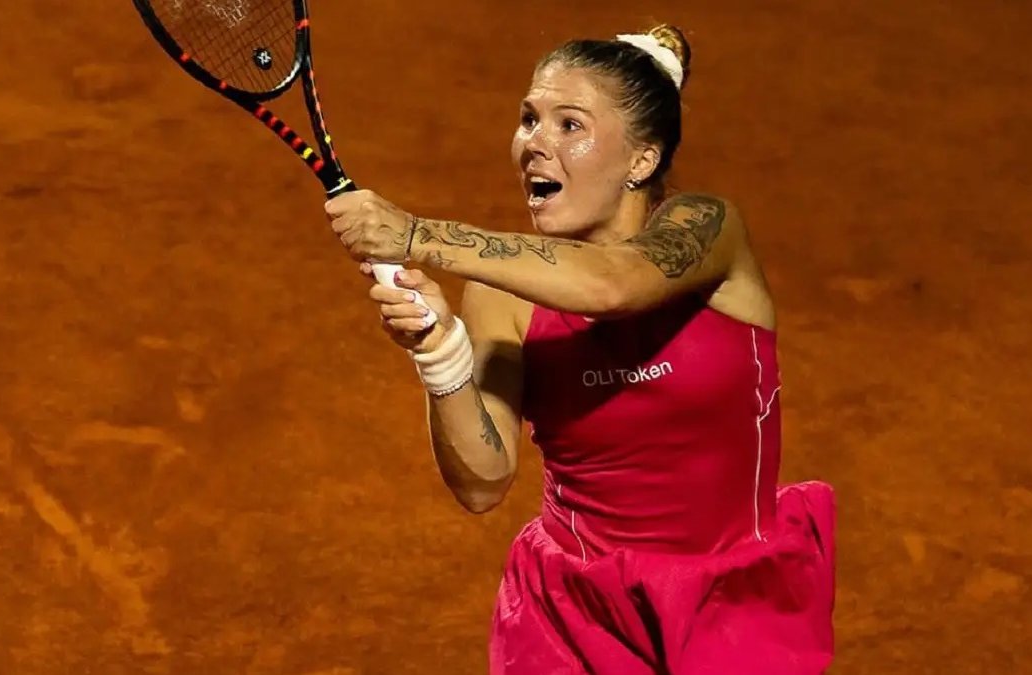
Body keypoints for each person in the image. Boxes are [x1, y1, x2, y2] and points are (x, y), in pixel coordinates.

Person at [326, 24, 835, 674]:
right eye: (528, 120)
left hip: (731, 609)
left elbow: (614, 284)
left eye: (570, 125)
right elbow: (482, 482)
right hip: (571, 618)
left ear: (642, 161)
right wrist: (439, 351)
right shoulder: (502, 292)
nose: (533, 144)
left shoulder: (707, 229)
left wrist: (417, 234)